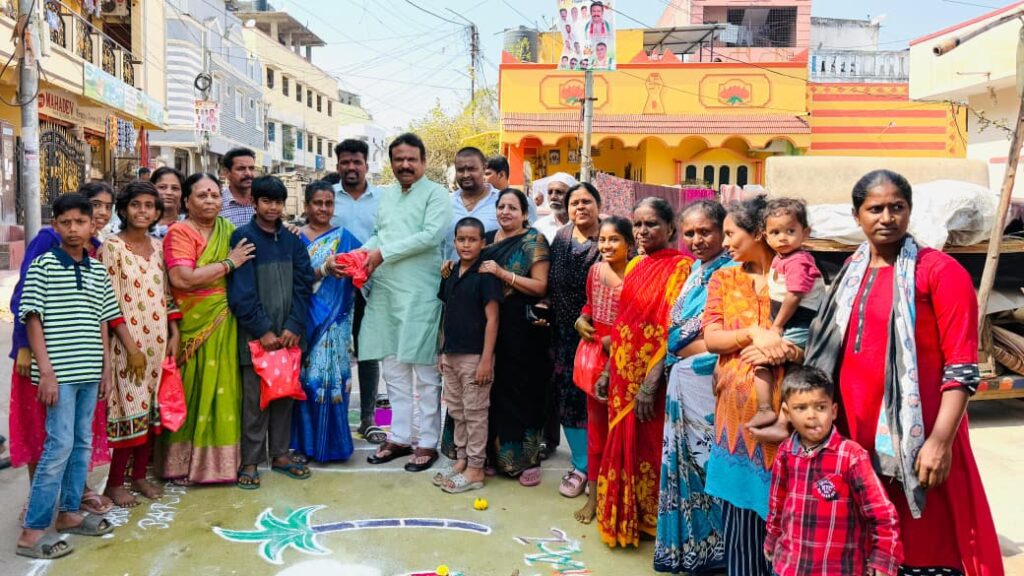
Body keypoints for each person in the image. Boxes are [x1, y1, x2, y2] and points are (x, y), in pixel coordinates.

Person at [805, 170, 1003, 576]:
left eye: (897, 207)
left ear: (910, 212)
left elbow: (962, 368)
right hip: (854, 433)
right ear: (856, 215)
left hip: (920, 433)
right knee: (864, 537)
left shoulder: (939, 271)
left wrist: (939, 442)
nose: (887, 217)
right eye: (874, 208)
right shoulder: (849, 273)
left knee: (925, 541)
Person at [15, 193, 125, 559]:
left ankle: (69, 514)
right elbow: (33, 318)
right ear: (55, 225)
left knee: (80, 445)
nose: (74, 229)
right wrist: (45, 372)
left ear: (93, 223)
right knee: (57, 446)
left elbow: (103, 322)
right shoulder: (44, 265)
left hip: (90, 373)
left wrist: (107, 370)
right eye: (66, 222)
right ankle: (32, 532)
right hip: (57, 376)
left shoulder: (97, 269)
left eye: (81, 221)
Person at [702, 196, 802, 576]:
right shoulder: (724, 277)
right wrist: (754, 334)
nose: (724, 243)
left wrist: (782, 349)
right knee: (741, 526)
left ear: (759, 232)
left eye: (731, 233)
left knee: (787, 523)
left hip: (790, 415)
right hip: (735, 419)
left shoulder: (797, 275)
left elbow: (820, 335)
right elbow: (712, 338)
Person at [597, 197, 692, 548]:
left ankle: (651, 520)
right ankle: (626, 515)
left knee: (651, 446)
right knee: (622, 443)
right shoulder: (636, 265)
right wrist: (608, 371)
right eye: (637, 224)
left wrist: (651, 384)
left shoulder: (683, 267)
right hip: (622, 374)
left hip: (655, 377)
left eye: (650, 224)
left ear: (670, 228)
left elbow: (673, 327)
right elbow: (624, 323)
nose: (642, 231)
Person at [360, 133, 452, 473]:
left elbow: (430, 236)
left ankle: (427, 442)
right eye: (398, 159)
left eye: (411, 158)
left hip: (421, 294)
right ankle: (399, 436)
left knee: (425, 373)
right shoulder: (386, 197)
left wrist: (382, 253)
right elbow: (379, 234)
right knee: (394, 371)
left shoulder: (437, 194)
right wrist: (363, 255)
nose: (404, 165)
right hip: (386, 291)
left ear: (423, 162)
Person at [654, 200, 733, 574]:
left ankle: (719, 553)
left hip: (709, 386)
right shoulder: (696, 271)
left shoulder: (732, 271)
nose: (697, 239)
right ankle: (692, 549)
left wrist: (686, 348)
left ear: (723, 231)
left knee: (711, 468)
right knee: (687, 470)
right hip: (684, 386)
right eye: (690, 233)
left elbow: (730, 334)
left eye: (706, 232)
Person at [161, 172, 255, 485]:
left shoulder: (228, 229)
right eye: (202, 195)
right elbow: (181, 278)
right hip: (192, 322)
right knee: (191, 389)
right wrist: (229, 264)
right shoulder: (180, 232)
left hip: (225, 319)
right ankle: (181, 464)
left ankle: (220, 465)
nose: (211, 200)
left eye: (215, 195)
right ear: (187, 201)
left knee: (224, 388)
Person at [765, 366, 903, 576]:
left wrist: (883, 558)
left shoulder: (851, 456)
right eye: (801, 408)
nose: (812, 416)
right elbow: (777, 505)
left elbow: (882, 513)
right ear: (787, 413)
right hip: (790, 567)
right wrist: (772, 538)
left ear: (834, 410)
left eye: (820, 407)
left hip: (838, 569)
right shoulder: (785, 453)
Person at [228, 176, 314, 489]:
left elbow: (304, 285)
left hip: (289, 338)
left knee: (284, 396)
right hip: (255, 340)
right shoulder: (243, 238)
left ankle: (279, 454)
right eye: (266, 201)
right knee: (255, 401)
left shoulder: (293, 241)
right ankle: (250, 460)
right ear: (255, 202)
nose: (272, 207)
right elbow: (241, 293)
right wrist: (262, 329)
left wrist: (294, 324)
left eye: (278, 202)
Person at [100, 181, 180, 507]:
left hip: (157, 343)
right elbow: (106, 301)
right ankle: (115, 482)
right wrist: (129, 347)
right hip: (126, 346)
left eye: (149, 205)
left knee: (149, 411)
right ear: (123, 210)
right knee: (127, 409)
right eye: (136, 205)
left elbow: (168, 295)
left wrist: (174, 333)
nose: (142, 211)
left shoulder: (160, 248)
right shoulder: (112, 248)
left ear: (157, 212)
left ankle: (139, 477)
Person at [479, 188, 551, 485]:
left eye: (512, 208)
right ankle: (494, 456)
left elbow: (540, 286)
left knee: (522, 391)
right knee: (491, 391)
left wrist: (503, 274)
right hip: (487, 323)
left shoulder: (534, 240)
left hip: (522, 328)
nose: (505, 212)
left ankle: (527, 460)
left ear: (524, 213)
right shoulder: (487, 238)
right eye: (501, 206)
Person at [292, 181, 361, 463]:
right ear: (307, 205)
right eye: (318, 203)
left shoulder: (346, 238)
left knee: (337, 381)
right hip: (305, 319)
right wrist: (323, 269)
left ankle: (335, 446)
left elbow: (362, 271)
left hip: (338, 320)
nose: (323, 208)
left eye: (329, 203)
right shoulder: (294, 239)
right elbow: (292, 279)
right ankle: (307, 446)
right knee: (308, 381)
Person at [434, 217, 503, 494]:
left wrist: (487, 359)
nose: (466, 244)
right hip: (451, 355)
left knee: (475, 413)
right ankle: (462, 460)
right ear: (454, 242)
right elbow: (445, 313)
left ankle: (476, 468)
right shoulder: (450, 273)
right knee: (458, 410)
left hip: (475, 357)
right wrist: (442, 350)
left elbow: (493, 320)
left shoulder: (486, 276)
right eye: (461, 239)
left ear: (482, 243)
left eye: (472, 239)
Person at [573, 215, 633, 524]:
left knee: (622, 432)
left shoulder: (638, 274)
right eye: (603, 240)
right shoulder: (594, 271)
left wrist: (617, 340)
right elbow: (589, 305)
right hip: (596, 358)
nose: (607, 245)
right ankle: (596, 499)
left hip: (627, 360)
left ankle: (620, 497)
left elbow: (640, 318)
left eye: (614, 240)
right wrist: (581, 319)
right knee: (596, 433)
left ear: (629, 244)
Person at [748, 198, 825, 431]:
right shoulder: (782, 259)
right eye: (775, 232)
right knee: (767, 362)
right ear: (765, 236)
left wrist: (777, 327)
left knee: (769, 361)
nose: (783, 237)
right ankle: (768, 412)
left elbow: (794, 296)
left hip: (799, 323)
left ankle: (779, 419)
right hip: (787, 321)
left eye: (790, 231)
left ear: (806, 232)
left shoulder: (798, 261)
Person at [548, 182, 603, 499]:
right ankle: (581, 465)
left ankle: (600, 465)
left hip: (599, 333)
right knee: (569, 398)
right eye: (574, 203)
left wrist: (592, 319)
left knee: (597, 396)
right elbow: (553, 283)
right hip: (565, 335)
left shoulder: (609, 236)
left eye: (586, 201)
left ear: (598, 204)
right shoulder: (562, 237)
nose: (580, 207)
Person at [332, 139, 385, 444]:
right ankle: (333, 419)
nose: (351, 168)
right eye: (345, 162)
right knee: (332, 352)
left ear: (366, 164)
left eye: (357, 162)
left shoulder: (382, 199)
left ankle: (368, 419)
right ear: (337, 165)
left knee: (368, 351)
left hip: (370, 285)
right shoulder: (327, 197)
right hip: (332, 287)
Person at [445, 147, 501, 262]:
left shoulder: (502, 203)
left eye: (471, 169)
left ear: (484, 168)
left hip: (492, 278)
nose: (466, 175)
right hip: (452, 278)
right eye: (460, 170)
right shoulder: (445, 204)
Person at [534, 173, 577, 243]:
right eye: (550, 192)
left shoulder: (581, 225)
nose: (553, 197)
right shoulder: (539, 227)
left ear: (573, 195)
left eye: (559, 192)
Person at [220, 147, 257, 227]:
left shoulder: (264, 200)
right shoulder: (217, 203)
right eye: (241, 169)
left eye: (251, 168)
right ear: (226, 173)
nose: (248, 173)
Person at [150, 167, 186, 239]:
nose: (169, 192)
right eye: (162, 187)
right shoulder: (140, 225)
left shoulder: (189, 226)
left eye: (175, 188)